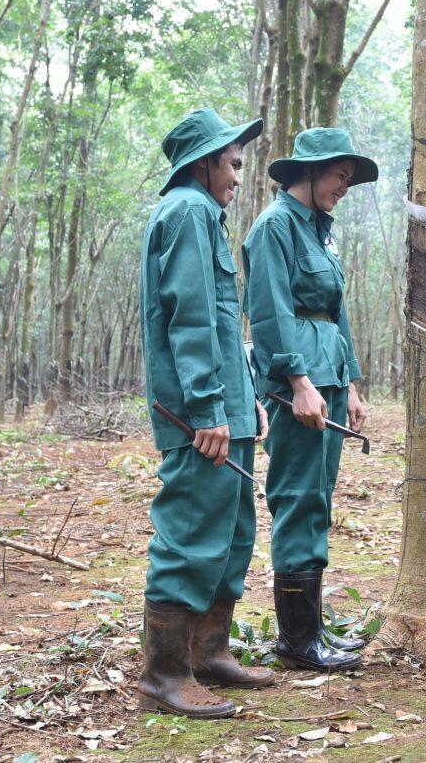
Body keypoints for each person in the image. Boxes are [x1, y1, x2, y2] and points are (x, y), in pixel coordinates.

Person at [138, 107, 274, 718]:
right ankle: (164, 677)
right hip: (200, 417)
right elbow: (189, 319)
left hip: (225, 410)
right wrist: (208, 413)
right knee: (192, 536)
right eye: (235, 164)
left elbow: (223, 327)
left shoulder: (204, 216)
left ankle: (207, 652)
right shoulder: (188, 211)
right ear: (204, 162)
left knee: (232, 535)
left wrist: (243, 404)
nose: (239, 177)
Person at [243, 128, 374, 672]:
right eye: (340, 176)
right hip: (298, 385)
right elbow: (270, 312)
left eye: (348, 178)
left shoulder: (321, 233)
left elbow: (335, 312)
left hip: (330, 380)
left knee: (318, 497)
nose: (344, 186)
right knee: (297, 496)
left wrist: (352, 383)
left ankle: (311, 627)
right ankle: (296, 642)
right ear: (310, 171)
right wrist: (298, 383)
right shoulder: (275, 227)